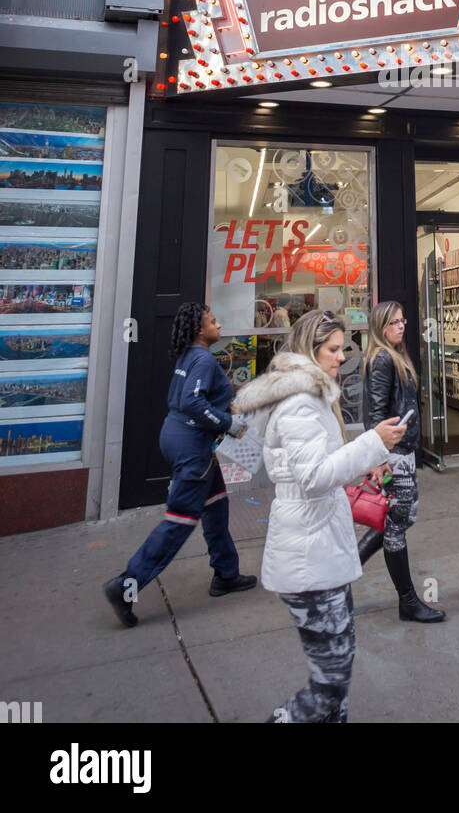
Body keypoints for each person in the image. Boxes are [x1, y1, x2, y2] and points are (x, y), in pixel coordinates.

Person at [233, 309, 405, 723]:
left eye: (342, 347)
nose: (342, 356)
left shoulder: (307, 396)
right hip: (309, 554)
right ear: (309, 351)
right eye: (332, 349)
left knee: (337, 670)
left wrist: (365, 457)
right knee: (329, 683)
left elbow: (319, 465)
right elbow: (312, 478)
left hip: (319, 548)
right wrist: (371, 443)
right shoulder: (301, 403)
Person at [104, 302, 255, 627]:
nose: (219, 324)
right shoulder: (201, 358)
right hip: (191, 445)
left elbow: (195, 397)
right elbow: (192, 401)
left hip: (180, 437)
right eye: (213, 321)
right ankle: (127, 585)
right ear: (200, 330)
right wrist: (228, 423)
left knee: (215, 506)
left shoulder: (191, 355)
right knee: (179, 521)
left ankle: (226, 574)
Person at [358, 300, 446, 622]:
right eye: (393, 322)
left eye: (402, 320)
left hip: (403, 453)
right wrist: (379, 459)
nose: (401, 326)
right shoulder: (382, 359)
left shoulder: (394, 356)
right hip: (393, 455)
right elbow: (377, 414)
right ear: (380, 328)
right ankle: (407, 601)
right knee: (396, 527)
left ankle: (345, 571)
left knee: (399, 520)